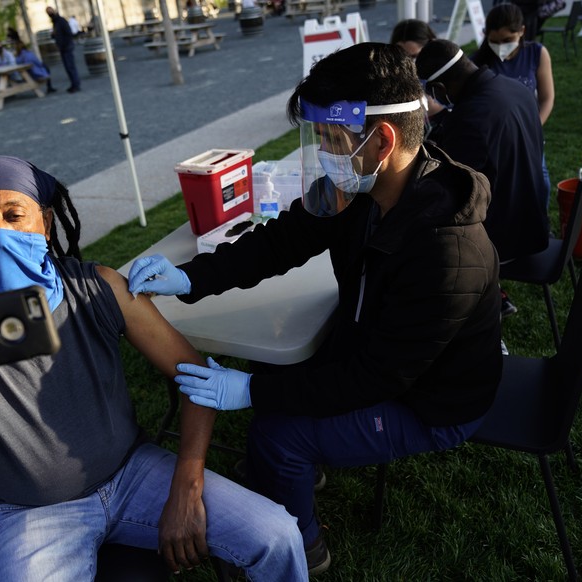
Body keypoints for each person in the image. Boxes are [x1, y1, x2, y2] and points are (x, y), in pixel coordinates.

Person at [128, 43, 503, 575]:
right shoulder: (361, 189)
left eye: (332, 138)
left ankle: (305, 544)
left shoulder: (448, 253)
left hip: (434, 402)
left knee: (276, 434)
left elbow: (377, 377)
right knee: (277, 375)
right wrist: (191, 277)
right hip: (376, 349)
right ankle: (303, 469)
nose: (324, 152)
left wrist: (251, 392)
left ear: (384, 139)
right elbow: (284, 239)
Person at [0, 156, 307, 581]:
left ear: (45, 223)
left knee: (277, 535)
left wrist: (187, 487)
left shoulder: (95, 287)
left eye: (15, 215)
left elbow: (194, 376)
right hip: (27, 514)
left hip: (132, 475)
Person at [417, 40, 549, 319]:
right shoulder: (517, 88)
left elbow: (445, 189)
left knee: (421, 227)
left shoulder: (470, 118)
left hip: (507, 237)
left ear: (439, 89)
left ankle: (473, 306)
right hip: (533, 217)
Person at [472, 3, 555, 198]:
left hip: (529, 136)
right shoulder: (478, 61)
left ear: (522, 31)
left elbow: (547, 97)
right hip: (494, 140)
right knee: (502, 191)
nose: (501, 47)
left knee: (540, 185)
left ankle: (541, 226)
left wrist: (533, 127)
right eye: (494, 41)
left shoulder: (537, 53)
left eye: (508, 40)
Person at [46, 6, 81, 93]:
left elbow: (68, 33)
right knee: (67, 67)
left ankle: (76, 85)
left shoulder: (60, 21)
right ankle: (73, 84)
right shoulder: (56, 22)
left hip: (66, 47)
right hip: (63, 47)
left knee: (70, 66)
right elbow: (58, 35)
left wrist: (64, 44)